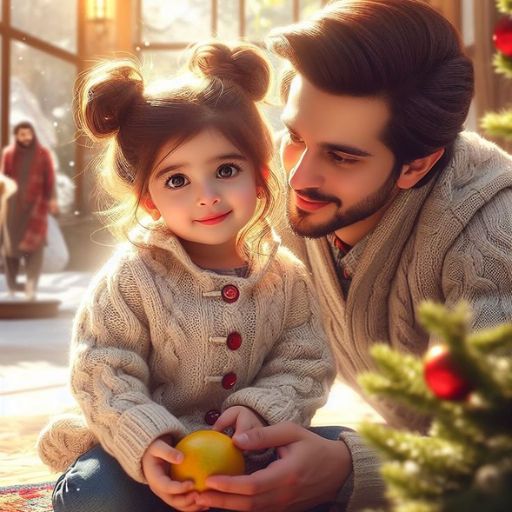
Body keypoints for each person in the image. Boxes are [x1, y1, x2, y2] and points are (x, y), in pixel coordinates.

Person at [191, 1, 512, 511]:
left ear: (417, 165)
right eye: (296, 138)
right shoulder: (276, 180)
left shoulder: (493, 229)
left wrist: (348, 467)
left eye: (341, 156)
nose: (296, 179)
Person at [37, 42, 336, 512]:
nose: (207, 195)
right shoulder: (134, 276)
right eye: (178, 180)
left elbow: (306, 362)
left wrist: (259, 409)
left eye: (225, 170)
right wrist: (148, 440)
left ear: (259, 176)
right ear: (150, 197)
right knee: (97, 495)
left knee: (337, 456)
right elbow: (102, 368)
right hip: (141, 454)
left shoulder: (286, 277)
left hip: (245, 452)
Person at [0, 121, 59, 299]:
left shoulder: (43, 154)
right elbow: (4, 180)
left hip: (36, 208)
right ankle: (11, 287)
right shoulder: (9, 154)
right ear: (16, 136)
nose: (25, 137)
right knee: (11, 250)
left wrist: (52, 199)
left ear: (32, 134)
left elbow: (50, 178)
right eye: (21, 134)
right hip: (13, 209)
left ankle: (31, 285)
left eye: (28, 134)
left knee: (36, 248)